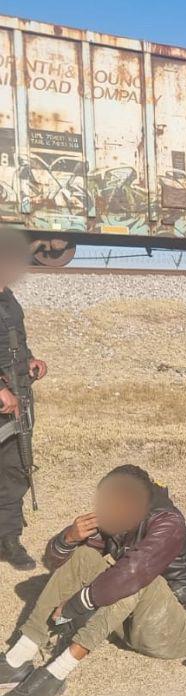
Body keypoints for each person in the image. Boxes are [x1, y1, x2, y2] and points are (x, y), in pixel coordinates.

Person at [0, 465, 186, 696]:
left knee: (132, 579)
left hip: (181, 632)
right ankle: (18, 657)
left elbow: (132, 574)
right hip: (133, 622)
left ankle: (57, 673)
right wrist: (68, 538)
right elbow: (60, 565)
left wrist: (75, 605)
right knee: (84, 556)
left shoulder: (169, 523)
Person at [0, 228, 48, 571]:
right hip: (4, 395)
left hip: (18, 395)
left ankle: (8, 539)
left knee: (15, 468)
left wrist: (31, 360)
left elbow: (16, 341)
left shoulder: (9, 299)